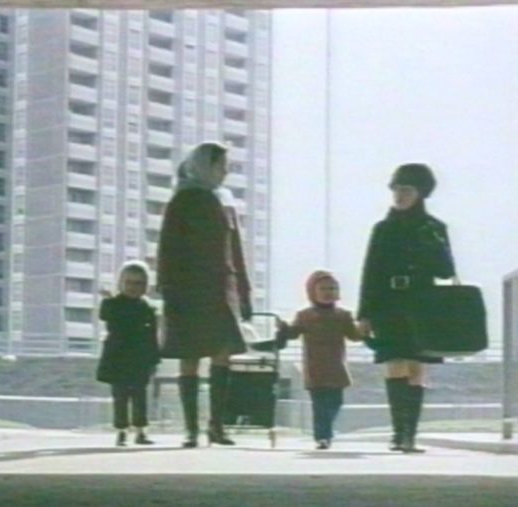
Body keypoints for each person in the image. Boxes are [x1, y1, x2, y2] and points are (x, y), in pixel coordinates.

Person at [157, 141, 252, 448]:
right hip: (187, 291)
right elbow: (167, 250)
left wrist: (244, 294)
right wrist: (168, 289)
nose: (225, 172)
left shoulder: (225, 203)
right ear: (204, 166)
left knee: (223, 355)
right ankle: (191, 429)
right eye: (220, 165)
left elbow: (236, 252)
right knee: (190, 358)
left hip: (221, 290)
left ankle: (217, 426)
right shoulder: (182, 201)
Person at [357, 163, 457, 453]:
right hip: (388, 302)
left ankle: (409, 434)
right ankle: (398, 432)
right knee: (395, 361)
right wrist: (364, 314)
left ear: (421, 193)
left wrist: (434, 244)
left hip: (423, 303)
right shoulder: (383, 229)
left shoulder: (435, 228)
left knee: (417, 365)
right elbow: (370, 272)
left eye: (406, 190)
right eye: (396, 189)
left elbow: (446, 270)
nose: (400, 195)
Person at [258, 271, 362, 449]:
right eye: (323, 288)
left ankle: (325, 432)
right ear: (312, 291)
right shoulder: (305, 315)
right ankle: (322, 436)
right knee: (320, 405)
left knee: (336, 402)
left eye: (333, 288)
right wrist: (283, 328)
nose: (328, 292)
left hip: (337, 367)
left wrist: (365, 329)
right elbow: (292, 333)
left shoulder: (343, 315)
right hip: (315, 367)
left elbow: (354, 336)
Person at [96, 261, 160, 447]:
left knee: (140, 395)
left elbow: (152, 336)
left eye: (139, 283)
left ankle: (140, 430)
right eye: (129, 283)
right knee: (120, 395)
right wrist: (108, 298)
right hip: (118, 357)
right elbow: (105, 315)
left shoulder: (148, 308)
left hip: (140, 357)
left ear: (146, 286)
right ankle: (121, 430)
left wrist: (154, 359)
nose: (133, 287)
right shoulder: (113, 304)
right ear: (121, 283)